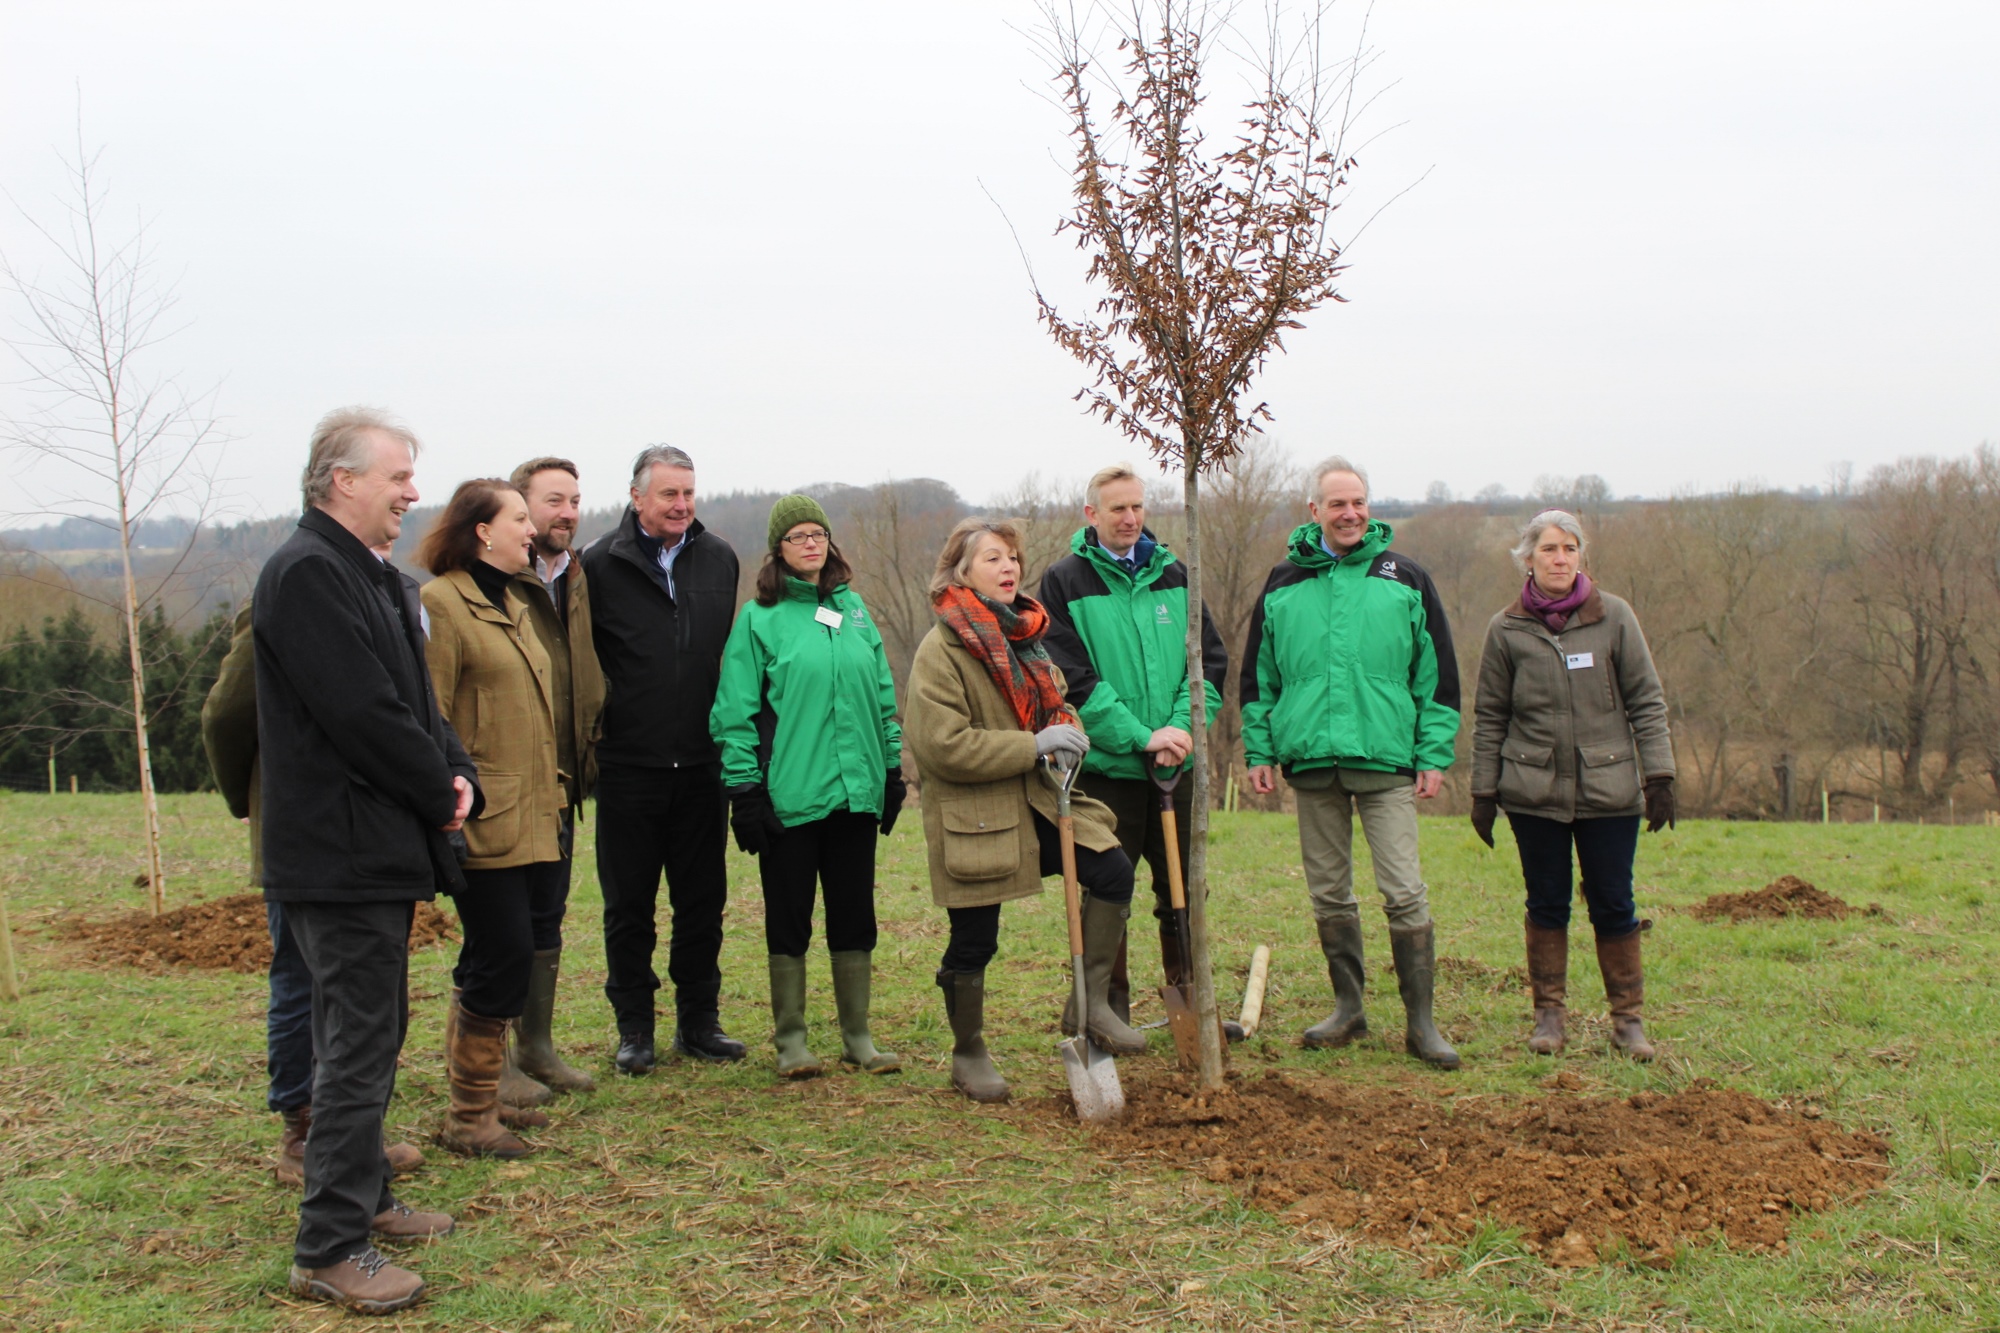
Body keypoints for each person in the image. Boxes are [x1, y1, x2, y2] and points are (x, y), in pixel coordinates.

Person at [255, 407, 477, 1314]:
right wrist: (438, 788)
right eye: (396, 477)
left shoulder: (376, 577)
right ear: (342, 480)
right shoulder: (306, 576)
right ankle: (328, 1247)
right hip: (336, 854)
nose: (412, 493)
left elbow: (414, 703)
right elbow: (360, 714)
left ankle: (368, 1198)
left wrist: (455, 767)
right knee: (354, 1048)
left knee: (371, 1034)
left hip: (378, 850)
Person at [905, 518, 1142, 1104]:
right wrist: (1033, 746)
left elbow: (1058, 703)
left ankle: (1087, 1009)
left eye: (1012, 557)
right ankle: (968, 1052)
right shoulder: (943, 649)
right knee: (975, 940)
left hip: (1038, 797)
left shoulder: (1027, 636)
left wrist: (1066, 731)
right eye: (992, 558)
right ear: (961, 573)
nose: (1008, 567)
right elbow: (941, 746)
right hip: (975, 811)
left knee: (1112, 870)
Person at [1241, 456, 1463, 1069]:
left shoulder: (1406, 578)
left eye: (1359, 502)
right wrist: (1259, 749)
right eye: (1337, 504)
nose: (1350, 513)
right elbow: (1259, 677)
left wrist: (1433, 754)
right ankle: (1349, 1009)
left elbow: (1437, 675)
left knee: (1403, 891)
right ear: (1314, 512)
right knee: (1329, 895)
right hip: (1311, 763)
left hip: (1388, 760)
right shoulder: (1283, 582)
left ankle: (1422, 1024)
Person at [201, 589, 424, 1188]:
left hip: (351, 827)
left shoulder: (376, 597)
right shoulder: (285, 603)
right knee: (302, 977)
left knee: (346, 991)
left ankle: (348, 1134)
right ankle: (301, 1130)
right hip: (295, 827)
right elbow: (226, 714)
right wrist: (243, 796)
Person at [1469, 509, 1675, 1061]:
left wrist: (1659, 775)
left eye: (1570, 548)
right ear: (1528, 559)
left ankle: (1628, 1021)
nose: (1560, 559)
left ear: (1582, 556)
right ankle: (1549, 1017)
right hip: (1533, 793)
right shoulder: (1505, 629)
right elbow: (1489, 715)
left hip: (1609, 791)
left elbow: (1647, 702)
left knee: (1613, 901)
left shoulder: (1616, 618)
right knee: (1547, 902)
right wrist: (1483, 791)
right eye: (1549, 549)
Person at [710, 495, 904, 1078]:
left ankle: (858, 1036)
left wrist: (891, 769)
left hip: (854, 794)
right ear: (778, 549)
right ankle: (792, 1039)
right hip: (789, 798)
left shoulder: (856, 610)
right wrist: (744, 791)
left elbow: (883, 697)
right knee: (789, 915)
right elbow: (735, 711)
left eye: (818, 532)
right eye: (797, 536)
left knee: (854, 914)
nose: (811, 543)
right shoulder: (759, 618)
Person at [1039, 463, 1230, 1037]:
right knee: (1107, 890)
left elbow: (1209, 662)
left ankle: (1192, 1013)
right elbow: (1069, 675)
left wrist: (1178, 731)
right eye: (1117, 508)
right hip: (1110, 771)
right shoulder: (1065, 580)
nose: (1130, 518)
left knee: (1182, 891)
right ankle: (1107, 1014)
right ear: (1091, 514)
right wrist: (1139, 736)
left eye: (1138, 507)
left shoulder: (1175, 573)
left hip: (1176, 765)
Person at [417, 479, 573, 1156]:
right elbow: (433, 715)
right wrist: (446, 809)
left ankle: (481, 1103)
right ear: (482, 529)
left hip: (537, 812)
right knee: (499, 951)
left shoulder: (513, 599)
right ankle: (468, 1118)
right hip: (484, 818)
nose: (529, 529)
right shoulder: (442, 603)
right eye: (518, 518)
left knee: (510, 951)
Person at [581, 445, 745, 1070]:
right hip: (629, 766)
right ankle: (635, 1029)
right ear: (637, 497)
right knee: (629, 907)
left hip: (702, 765)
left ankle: (699, 1022)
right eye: (668, 494)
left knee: (702, 902)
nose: (681, 505)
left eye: (688, 493)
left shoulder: (720, 558)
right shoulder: (598, 564)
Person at [498, 456, 607, 1101]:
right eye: (551, 502)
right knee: (503, 922)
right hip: (510, 779)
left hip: (564, 776)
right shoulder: (489, 580)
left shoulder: (576, 575)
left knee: (548, 913)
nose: (565, 513)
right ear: (518, 509)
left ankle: (535, 1047)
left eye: (573, 501)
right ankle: (491, 1060)